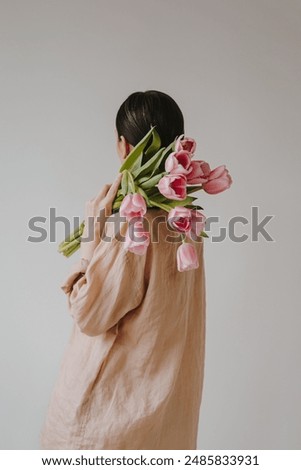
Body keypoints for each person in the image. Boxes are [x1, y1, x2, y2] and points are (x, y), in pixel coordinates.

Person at [40, 90, 206, 450]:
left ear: (125, 148)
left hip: (108, 425)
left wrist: (91, 239)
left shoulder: (134, 227)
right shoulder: (187, 222)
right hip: (166, 422)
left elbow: (89, 314)